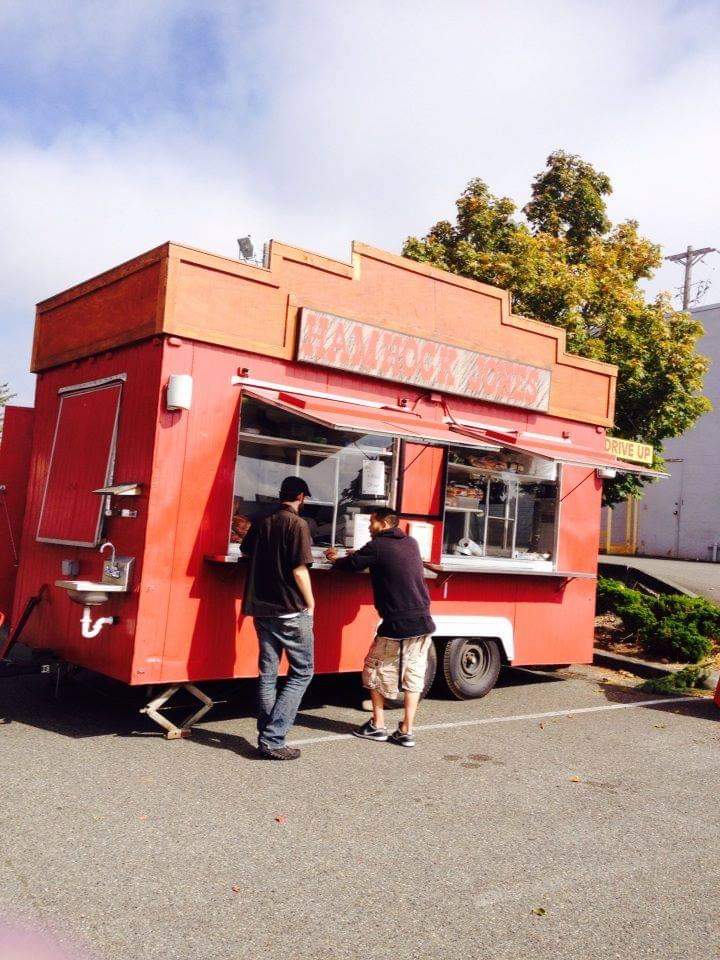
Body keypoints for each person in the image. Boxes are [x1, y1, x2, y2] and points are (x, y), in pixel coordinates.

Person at [325, 508, 435, 748]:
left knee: (374, 669)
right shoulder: (411, 543)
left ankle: (377, 725)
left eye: (372, 522)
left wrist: (335, 559)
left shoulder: (377, 546)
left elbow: (352, 564)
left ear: (384, 523)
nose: (368, 526)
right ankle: (406, 730)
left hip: (397, 622)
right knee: (413, 675)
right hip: (423, 621)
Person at [241, 476, 315, 760]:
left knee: (268, 673)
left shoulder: (262, 520)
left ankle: (266, 734)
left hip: (260, 607)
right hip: (290, 609)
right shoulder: (297, 524)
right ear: (301, 497)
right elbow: (299, 570)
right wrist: (311, 603)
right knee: (302, 672)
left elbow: (246, 551)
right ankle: (273, 739)